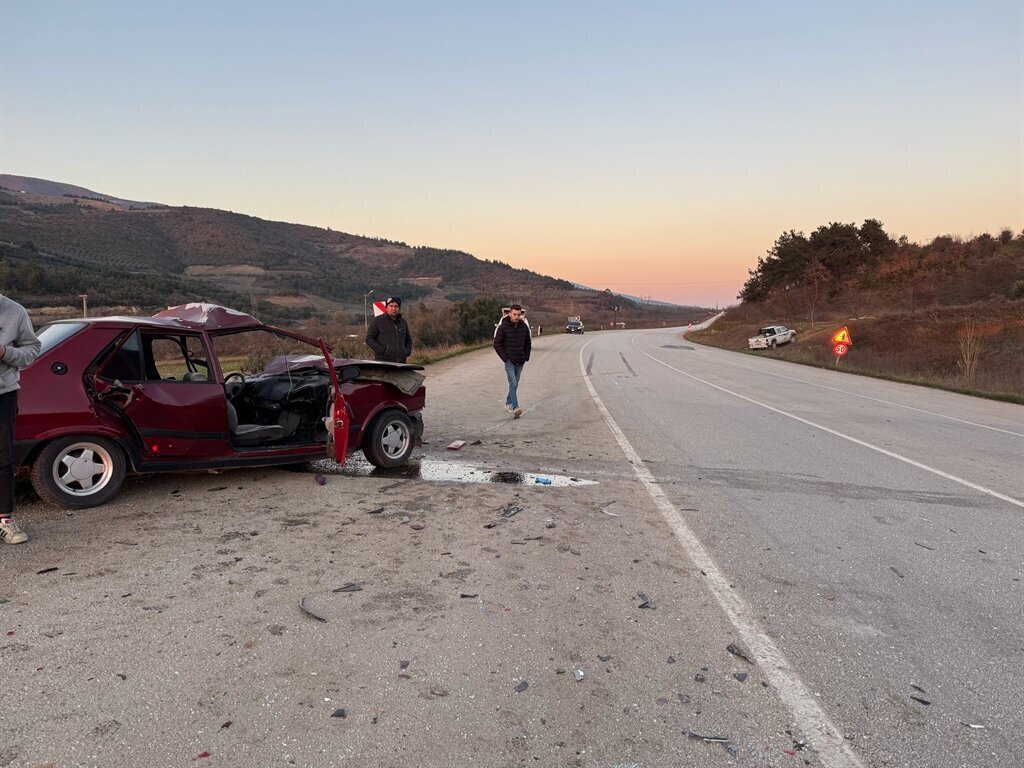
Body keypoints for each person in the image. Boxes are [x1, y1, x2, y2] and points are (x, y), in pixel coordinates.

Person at [0, 294, 41, 545]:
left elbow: (32, 350)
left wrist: (5, 352)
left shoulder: (14, 311)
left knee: (2, 458)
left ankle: (5, 521)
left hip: (3, 395)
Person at [493, 303, 531, 418]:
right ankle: (515, 407)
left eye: (518, 315)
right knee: (513, 383)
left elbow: (528, 343)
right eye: (514, 314)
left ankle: (508, 402)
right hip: (509, 360)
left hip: (520, 360)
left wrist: (526, 356)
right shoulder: (503, 327)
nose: (516, 317)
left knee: (515, 383)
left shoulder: (524, 327)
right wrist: (505, 358)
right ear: (510, 314)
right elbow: (497, 344)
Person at [365, 296, 412, 363]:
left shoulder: (403, 322)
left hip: (401, 362)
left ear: (399, 308)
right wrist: (382, 350)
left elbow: (408, 339)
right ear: (386, 307)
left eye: (396, 306)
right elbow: (369, 339)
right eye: (391, 306)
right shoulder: (377, 321)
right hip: (383, 362)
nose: (393, 308)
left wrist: (407, 351)